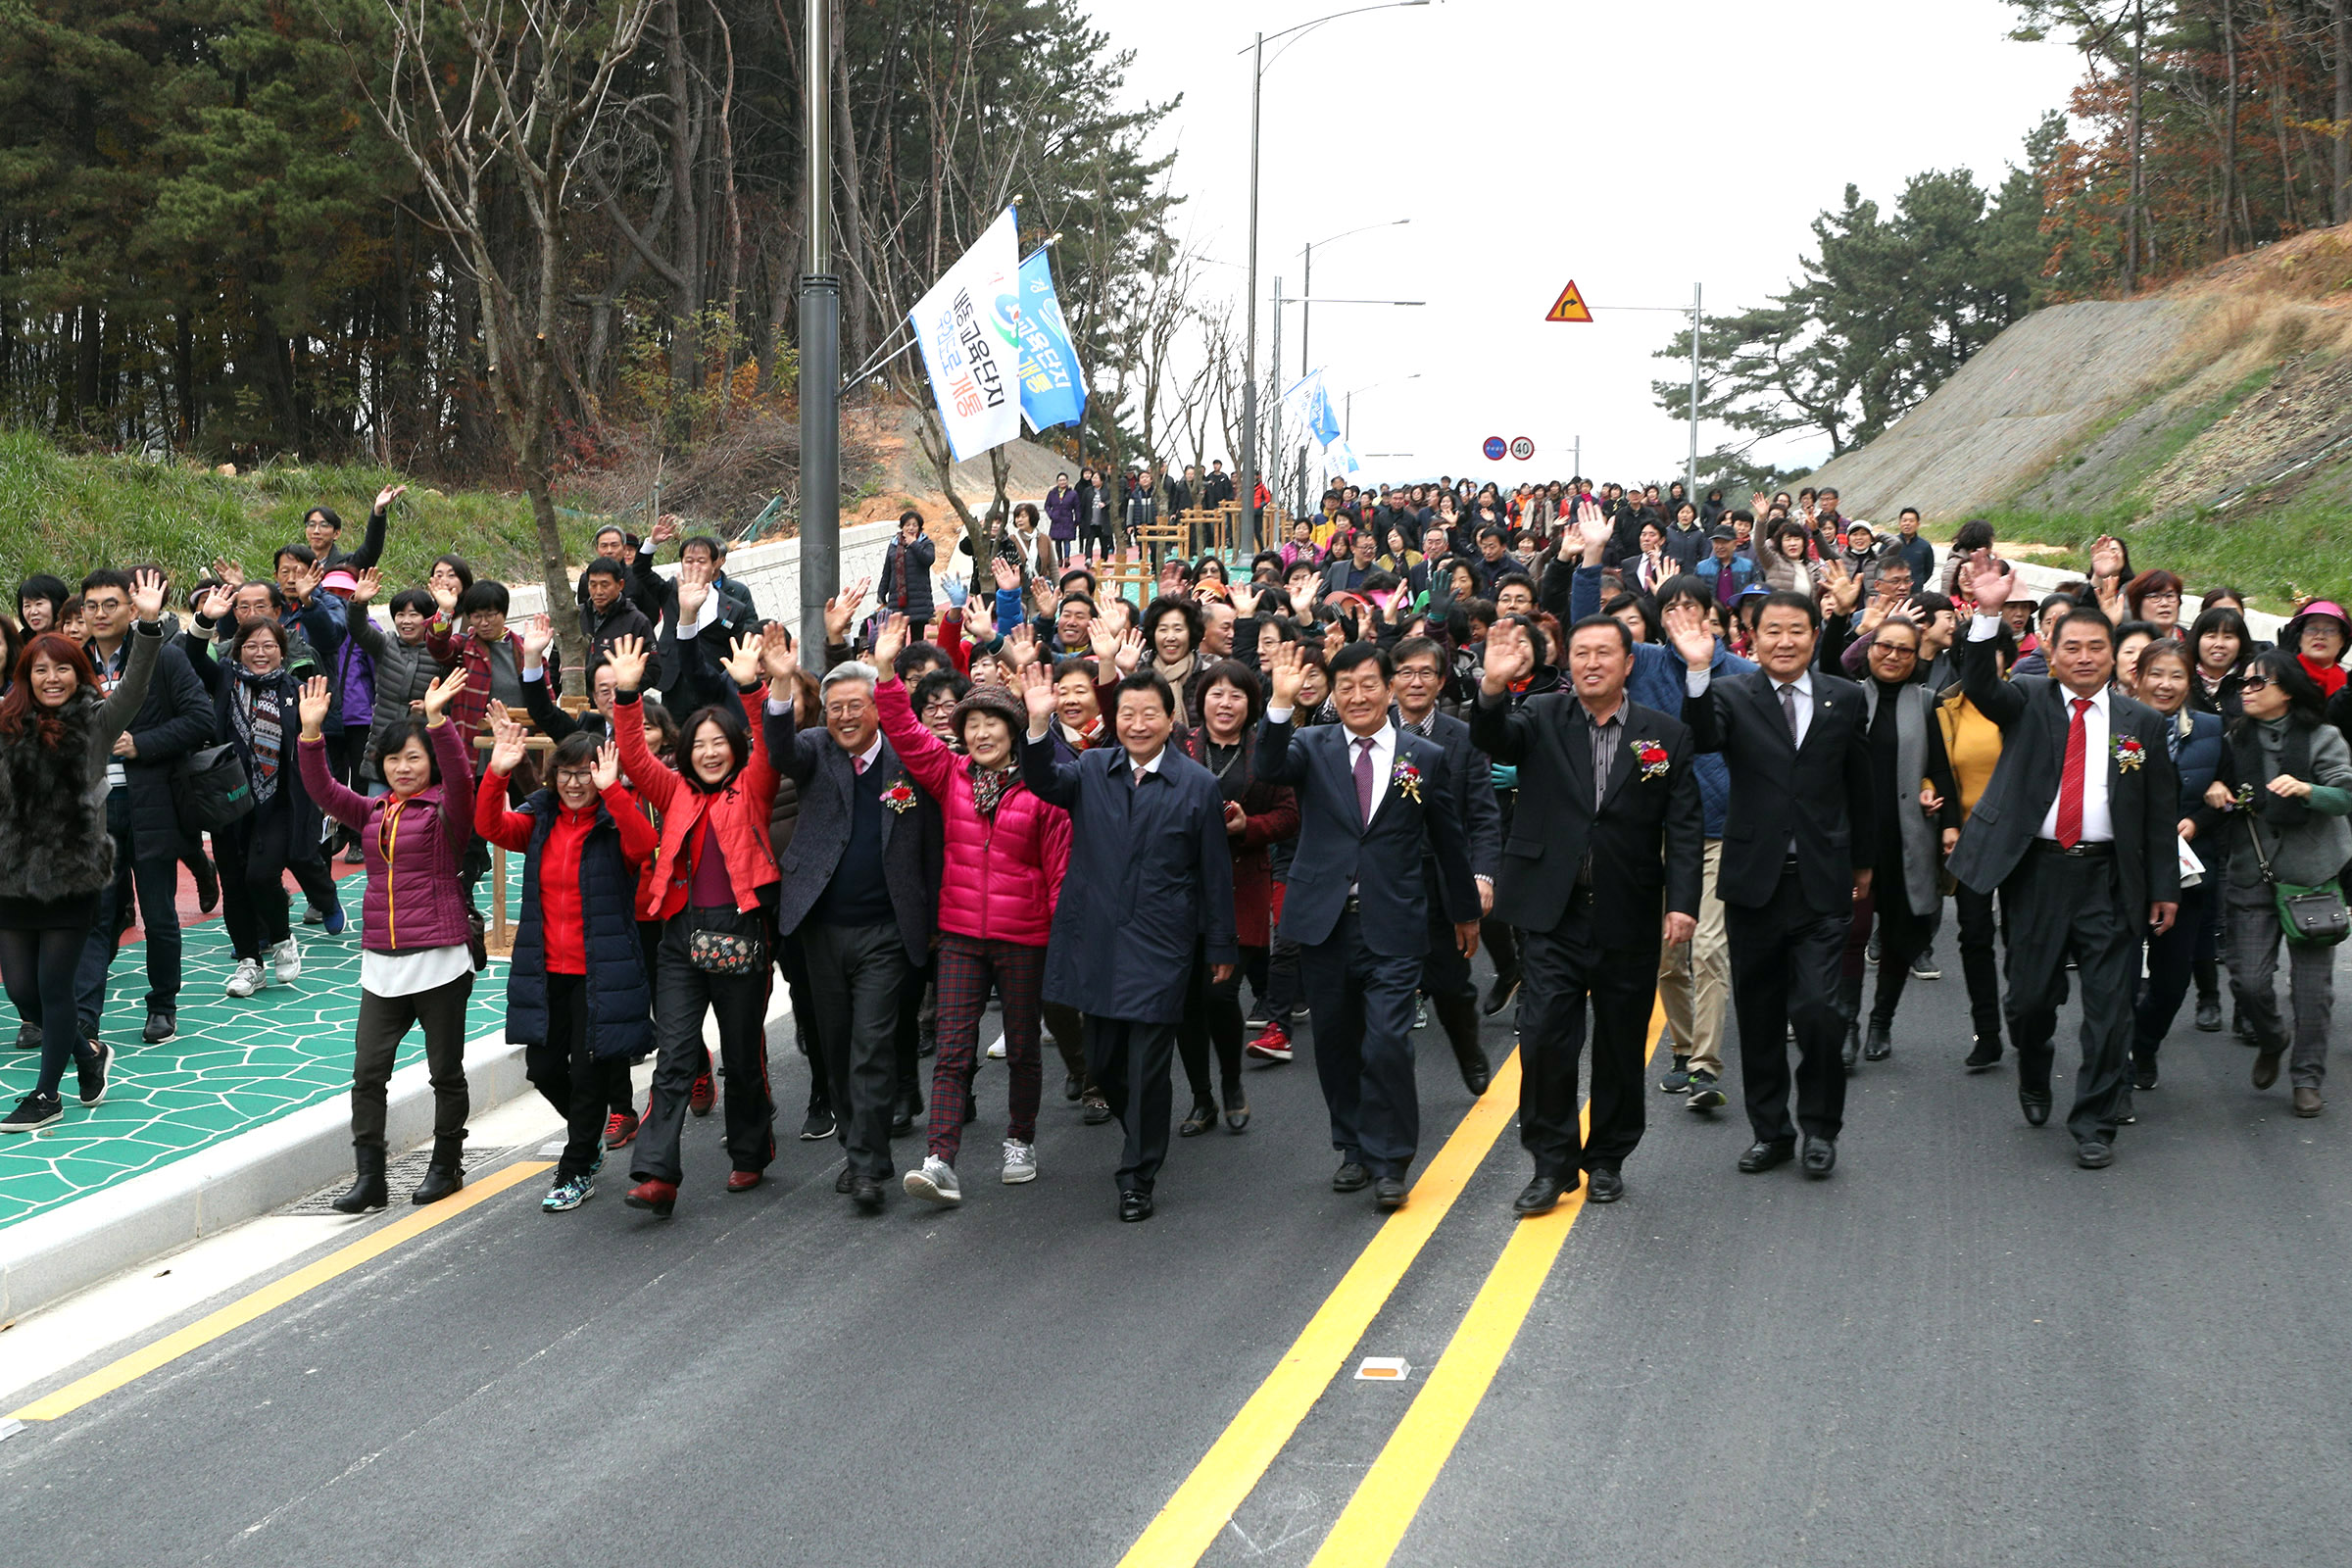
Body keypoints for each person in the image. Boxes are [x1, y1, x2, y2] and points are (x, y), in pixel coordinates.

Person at [1947, 556, 2180, 1168]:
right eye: (2071, 646)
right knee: (2028, 1001)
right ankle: (2034, 1066)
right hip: (2038, 873)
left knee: (2110, 1007)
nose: (2084, 657)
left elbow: (2158, 813)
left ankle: (2095, 1122)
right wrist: (1987, 613)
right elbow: (1979, 685)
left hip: (2111, 878)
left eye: (2096, 647)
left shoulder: (2140, 724)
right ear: (2050, 651)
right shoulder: (2027, 699)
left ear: (2114, 655)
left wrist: (2165, 887)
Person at [1473, 614, 1700, 1213]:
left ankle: (1606, 1159)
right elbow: (1493, 738)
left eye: (1604, 653)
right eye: (1580, 653)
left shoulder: (1664, 735)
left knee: (1621, 1044)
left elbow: (1682, 824)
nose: (1591, 663)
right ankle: (1550, 1165)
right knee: (1545, 1039)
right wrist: (1492, 687)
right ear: (1567, 662)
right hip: (1553, 911)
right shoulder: (1540, 715)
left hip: (1628, 910)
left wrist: (1682, 903)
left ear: (1629, 664)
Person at [1255, 640, 1481, 1212]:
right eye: (1345, 687)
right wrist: (1280, 705)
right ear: (1333, 693)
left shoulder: (1423, 756)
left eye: (1369, 684)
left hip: (1394, 922)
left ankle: (1391, 1161)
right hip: (1325, 923)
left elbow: (1449, 839)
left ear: (1390, 688)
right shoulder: (1311, 745)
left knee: (1387, 1043)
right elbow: (1268, 769)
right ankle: (1353, 1147)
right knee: (1335, 1044)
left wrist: (1464, 911)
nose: (1358, 696)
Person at [1664, 590, 1876, 1179]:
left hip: (1821, 881)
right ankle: (1771, 1132)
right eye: (1772, 631)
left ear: (1814, 636)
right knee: (1758, 1016)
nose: (1785, 642)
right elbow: (1702, 737)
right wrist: (1698, 669)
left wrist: (1863, 862)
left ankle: (1820, 1129)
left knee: (1818, 1012)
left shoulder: (1844, 697)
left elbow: (1861, 785)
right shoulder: (1732, 693)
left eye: (1797, 631)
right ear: (1752, 639)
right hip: (1754, 883)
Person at [1019, 664, 1236, 1222]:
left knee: (1148, 1067)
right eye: (1128, 714)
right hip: (1097, 939)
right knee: (1106, 1063)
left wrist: (1221, 946)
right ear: (1115, 720)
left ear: (1170, 719)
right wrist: (1038, 725)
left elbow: (1215, 874)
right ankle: (1140, 1127)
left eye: (1150, 714)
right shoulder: (1093, 768)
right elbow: (1042, 781)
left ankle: (1137, 1174)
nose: (1138, 725)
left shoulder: (1198, 785)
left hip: (1163, 945)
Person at [867, 615, 1067, 1205]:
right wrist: (885, 672)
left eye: (991, 724)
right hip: (958, 934)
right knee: (953, 1050)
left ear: (1013, 731)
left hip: (1024, 937)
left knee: (1022, 1048)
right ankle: (940, 1160)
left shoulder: (1044, 789)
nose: (980, 735)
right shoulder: (950, 773)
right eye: (971, 725)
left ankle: (1020, 1140)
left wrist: (1062, 942)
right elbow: (905, 731)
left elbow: (1060, 870)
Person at [611, 631, 790, 1215]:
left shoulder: (754, 783)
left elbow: (769, 741)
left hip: (741, 935)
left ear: (734, 748)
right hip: (680, 938)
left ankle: (751, 1150)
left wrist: (752, 687)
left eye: (720, 744)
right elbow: (634, 756)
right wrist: (628, 696)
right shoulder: (674, 791)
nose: (710, 753)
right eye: (700, 745)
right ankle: (656, 1173)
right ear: (685, 752)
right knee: (674, 1058)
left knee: (742, 1056)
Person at [762, 634, 941, 1212]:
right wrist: (782, 681)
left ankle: (865, 1166)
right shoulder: (816, 750)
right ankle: (861, 1145)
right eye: (834, 707)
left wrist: (936, 916)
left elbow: (932, 844)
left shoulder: (908, 758)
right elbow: (779, 750)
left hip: (887, 930)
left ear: (878, 708)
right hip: (821, 927)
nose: (843, 717)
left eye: (854, 706)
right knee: (834, 1046)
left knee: (871, 1045)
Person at [293, 668, 479, 1208]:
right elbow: (323, 790)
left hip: (440, 957)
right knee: (367, 1074)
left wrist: (439, 723)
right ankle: (370, 1177)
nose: (402, 767)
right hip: (381, 962)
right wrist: (311, 734)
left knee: (445, 1072)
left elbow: (461, 778)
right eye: (394, 759)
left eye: (414, 758)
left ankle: (446, 1166)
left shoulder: (447, 808)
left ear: (430, 763)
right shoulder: (372, 811)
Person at [0, 569, 167, 1135]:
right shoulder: (7, 723)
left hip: (72, 874)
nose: (52, 678)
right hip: (12, 874)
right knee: (21, 991)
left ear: (79, 673)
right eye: (41, 670)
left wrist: (149, 627)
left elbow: (136, 687)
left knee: (54, 987)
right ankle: (88, 1054)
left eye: (63, 668)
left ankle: (47, 1094)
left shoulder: (96, 722)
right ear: (26, 675)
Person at [476, 722, 658, 1212]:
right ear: (552, 776)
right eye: (566, 773)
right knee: (544, 1069)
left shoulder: (614, 822)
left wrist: (613, 791)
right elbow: (490, 827)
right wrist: (497, 773)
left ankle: (576, 1168)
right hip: (544, 971)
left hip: (601, 974)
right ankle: (588, 1135)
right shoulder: (540, 820)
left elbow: (644, 846)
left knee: (588, 1076)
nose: (575, 783)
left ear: (601, 774)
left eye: (586, 773)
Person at [2206, 650, 2352, 1117]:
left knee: (2313, 992)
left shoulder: (2324, 737)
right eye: (2243, 683)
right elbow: (2213, 784)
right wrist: (2216, 789)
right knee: (2248, 982)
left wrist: (2308, 789)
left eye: (2257, 683)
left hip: (2312, 877)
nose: (2246, 691)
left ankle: (2307, 1078)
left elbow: (2344, 796)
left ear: (2286, 690)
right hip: (2253, 872)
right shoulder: (2233, 738)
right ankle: (2273, 1038)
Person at [72, 568, 214, 1047]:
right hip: (95, 813)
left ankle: (162, 1005)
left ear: (133, 610)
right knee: (97, 916)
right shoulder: (73, 664)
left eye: (111, 604)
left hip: (152, 804)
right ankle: (85, 1018)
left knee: (158, 912)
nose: (100, 614)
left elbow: (201, 718)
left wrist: (143, 744)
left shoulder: (164, 656)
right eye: (92, 606)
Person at [182, 601, 339, 993]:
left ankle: (283, 940)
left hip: (279, 803)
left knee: (261, 875)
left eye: (268, 645)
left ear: (282, 652)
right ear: (238, 650)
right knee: (234, 885)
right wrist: (205, 618)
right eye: (251, 645)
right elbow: (193, 654)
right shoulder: (224, 678)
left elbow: (311, 743)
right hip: (229, 802)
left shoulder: (295, 691)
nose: (260, 653)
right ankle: (249, 963)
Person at [1174, 661, 1298, 1137]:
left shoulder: (1265, 752)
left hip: (1241, 886)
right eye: (1216, 694)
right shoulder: (1179, 746)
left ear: (1252, 705)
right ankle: (1201, 1098)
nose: (1225, 704)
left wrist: (1250, 827)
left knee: (1220, 992)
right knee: (1187, 1000)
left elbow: (1289, 816)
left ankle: (1230, 1082)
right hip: (1183, 889)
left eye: (1237, 695)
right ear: (1200, 700)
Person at [1842, 616, 1960, 1067]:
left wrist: (1948, 822)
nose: (1893, 656)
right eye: (1884, 646)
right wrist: (1847, 625)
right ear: (1870, 649)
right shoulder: (1847, 696)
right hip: (1855, 841)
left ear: (1916, 657)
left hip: (1907, 839)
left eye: (1904, 650)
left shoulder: (1927, 702)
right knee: (1851, 936)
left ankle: (1881, 1023)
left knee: (1897, 938)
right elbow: (1830, 661)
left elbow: (1941, 768)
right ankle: (1847, 1025)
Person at [1389, 635, 1502, 1098]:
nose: (1416, 682)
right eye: (1406, 673)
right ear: (1391, 682)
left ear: (1441, 682)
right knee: (1386, 992)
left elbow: (1484, 815)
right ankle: (1392, 1094)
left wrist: (1482, 876)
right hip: (1386, 881)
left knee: (1453, 986)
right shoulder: (1372, 731)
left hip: (1440, 879)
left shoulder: (1463, 737)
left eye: (1426, 673)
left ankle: (1469, 1049)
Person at [2128, 639, 2225, 1091]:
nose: (2165, 685)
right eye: (2156, 674)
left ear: (2190, 682)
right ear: (2137, 678)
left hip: (2185, 875)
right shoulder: (2116, 727)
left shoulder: (2211, 729)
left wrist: (2200, 818)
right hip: (2122, 872)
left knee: (2170, 984)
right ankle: (2116, 1064)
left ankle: (2144, 1045)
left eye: (2177, 676)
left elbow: (2233, 795)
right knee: (2119, 980)